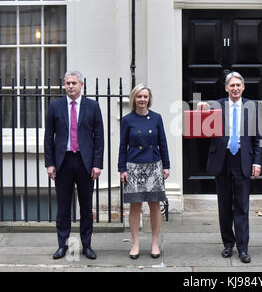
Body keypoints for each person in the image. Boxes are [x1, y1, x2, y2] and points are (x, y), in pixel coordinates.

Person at [198, 72, 262, 264]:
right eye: (231, 85)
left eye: (238, 85)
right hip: (222, 160)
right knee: (224, 205)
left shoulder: (252, 107)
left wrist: (257, 162)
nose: (235, 88)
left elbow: (258, 137)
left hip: (242, 160)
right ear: (226, 88)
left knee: (242, 206)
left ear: (243, 87)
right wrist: (201, 107)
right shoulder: (216, 105)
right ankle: (228, 244)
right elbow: (200, 118)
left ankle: (243, 248)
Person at [44, 70, 104, 260]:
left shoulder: (92, 106)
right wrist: (50, 163)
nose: (71, 86)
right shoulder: (55, 106)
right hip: (63, 162)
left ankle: (87, 245)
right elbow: (48, 137)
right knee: (63, 207)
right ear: (64, 85)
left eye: (74, 83)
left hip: (85, 162)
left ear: (81, 85)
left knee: (86, 206)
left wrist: (97, 164)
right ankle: (62, 245)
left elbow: (99, 138)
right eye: (68, 83)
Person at [118, 84, 170, 260]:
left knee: (154, 205)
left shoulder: (156, 118)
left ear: (149, 99)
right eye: (139, 96)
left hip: (153, 165)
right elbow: (122, 146)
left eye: (145, 96)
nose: (142, 100)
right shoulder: (127, 120)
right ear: (134, 99)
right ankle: (135, 243)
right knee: (136, 206)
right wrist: (122, 168)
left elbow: (163, 142)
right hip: (134, 166)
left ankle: (155, 243)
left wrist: (166, 165)